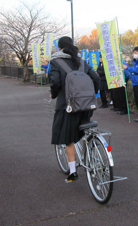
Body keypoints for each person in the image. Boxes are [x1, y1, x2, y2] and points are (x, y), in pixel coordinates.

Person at [49, 37, 100, 182]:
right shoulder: (81, 61)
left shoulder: (55, 62)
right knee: (83, 131)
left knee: (68, 139)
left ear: (59, 48)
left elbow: (55, 82)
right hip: (86, 106)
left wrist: (53, 94)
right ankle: (91, 155)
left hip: (68, 107)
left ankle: (72, 172)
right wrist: (90, 95)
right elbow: (95, 79)